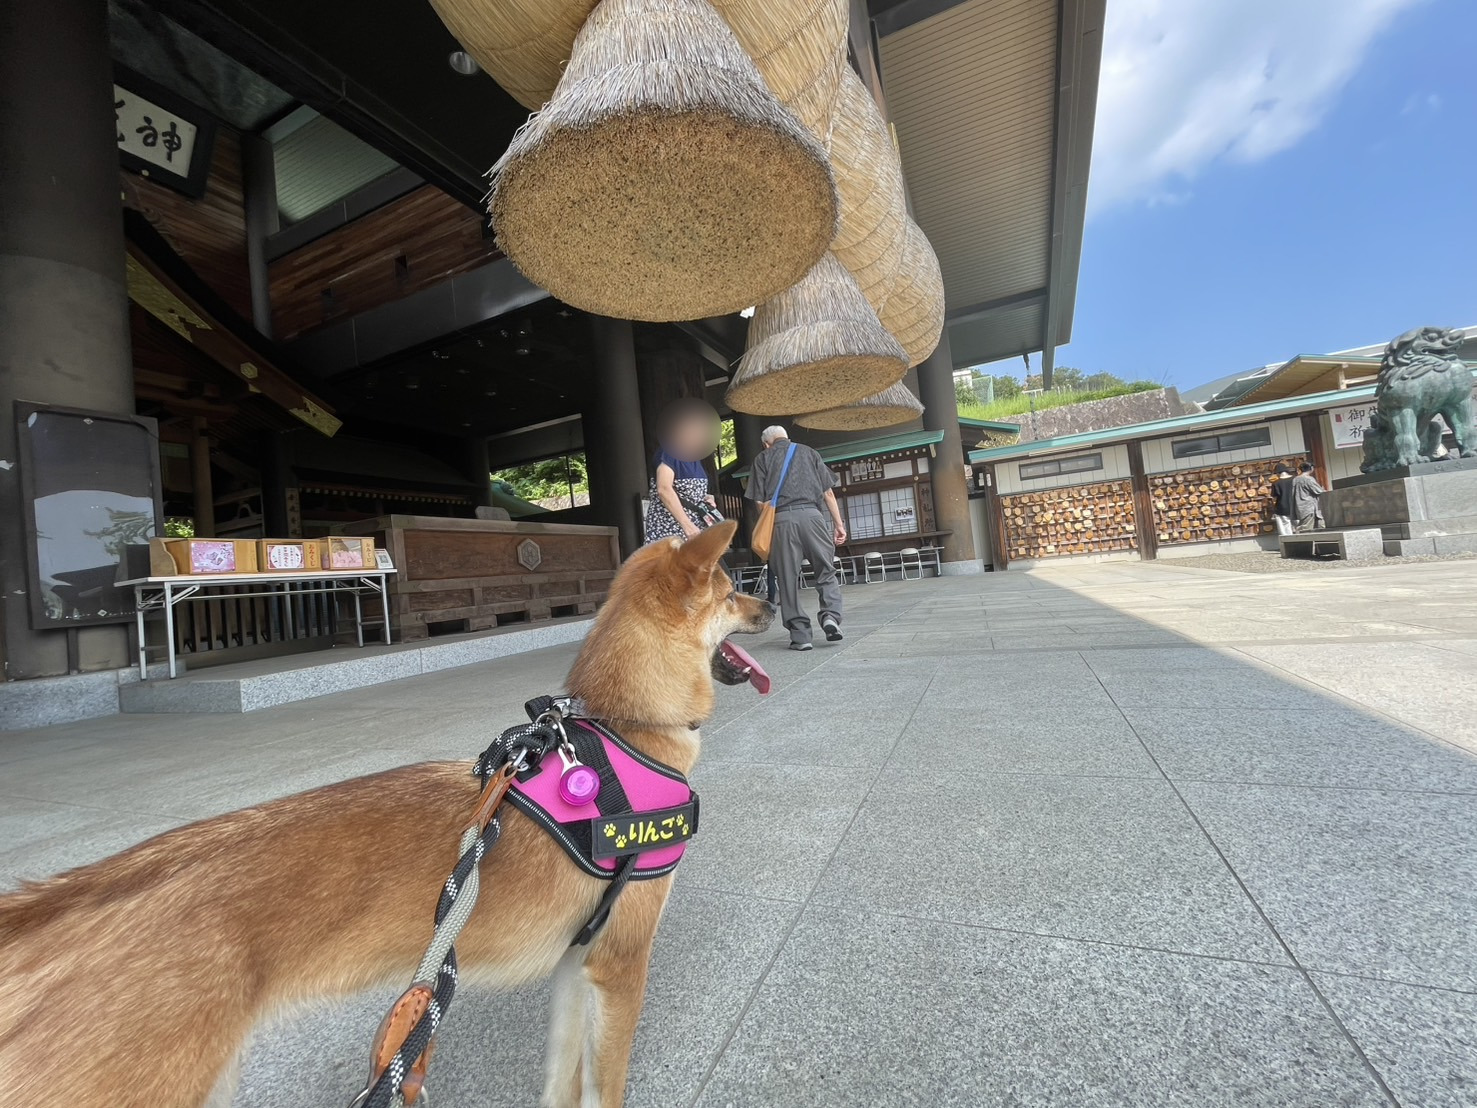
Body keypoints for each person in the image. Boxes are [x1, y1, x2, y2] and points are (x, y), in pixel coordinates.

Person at [745, 425, 846, 650]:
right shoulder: (809, 452)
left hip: (781, 522)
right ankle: (830, 616)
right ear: (786, 437)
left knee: (787, 580)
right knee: (826, 571)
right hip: (813, 518)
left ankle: (801, 636)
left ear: (766, 444)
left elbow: (760, 502)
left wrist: (769, 525)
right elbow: (828, 493)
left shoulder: (762, 459)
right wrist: (839, 525)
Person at [643, 399, 720, 544]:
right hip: (670, 529)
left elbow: (690, 493)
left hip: (694, 529)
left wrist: (706, 499)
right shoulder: (669, 452)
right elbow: (664, 489)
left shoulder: (694, 457)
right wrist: (687, 525)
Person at [1289, 462, 1326, 532]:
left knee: (1304, 527)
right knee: (1307, 529)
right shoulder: (1308, 479)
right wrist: (1323, 489)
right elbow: (1318, 491)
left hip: (1300, 507)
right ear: (1311, 468)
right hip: (1310, 507)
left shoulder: (1295, 479)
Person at [1269, 464, 1296, 536]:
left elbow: (1274, 498)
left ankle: (1289, 542)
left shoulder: (1276, 483)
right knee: (1299, 527)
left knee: (1286, 529)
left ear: (1277, 473)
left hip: (1282, 508)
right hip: (1296, 506)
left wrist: (1274, 509)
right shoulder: (1295, 479)